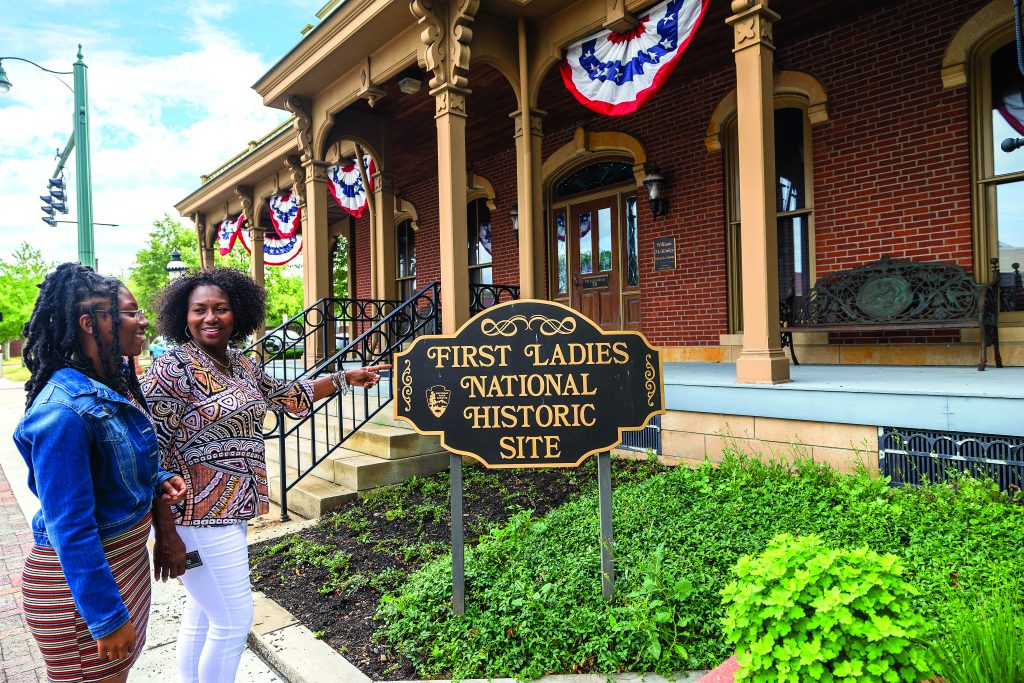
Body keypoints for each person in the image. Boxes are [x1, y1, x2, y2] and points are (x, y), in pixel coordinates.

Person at [141, 267, 389, 683]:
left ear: (237, 312)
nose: (210, 317)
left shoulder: (239, 363)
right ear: (182, 316)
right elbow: (149, 454)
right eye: (199, 309)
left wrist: (346, 378)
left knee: (204, 615)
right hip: (194, 517)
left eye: (220, 308)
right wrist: (165, 532)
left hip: (229, 511)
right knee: (234, 622)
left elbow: (288, 395)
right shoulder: (172, 370)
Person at [15, 263, 187, 683]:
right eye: (130, 312)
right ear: (90, 323)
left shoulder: (112, 380)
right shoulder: (62, 412)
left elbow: (116, 460)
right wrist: (106, 617)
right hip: (80, 593)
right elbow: (69, 526)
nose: (143, 319)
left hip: (124, 565)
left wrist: (156, 476)